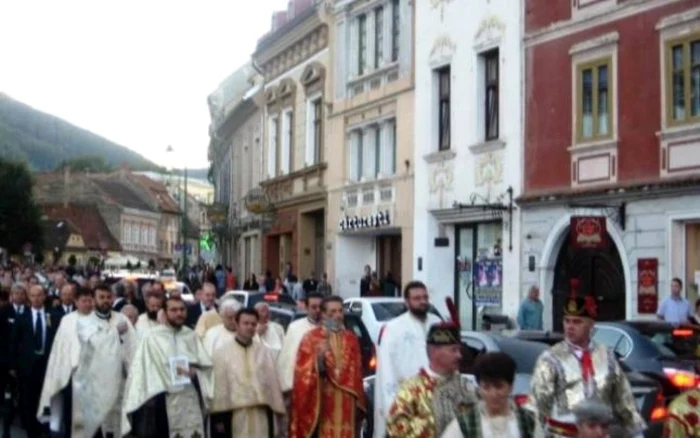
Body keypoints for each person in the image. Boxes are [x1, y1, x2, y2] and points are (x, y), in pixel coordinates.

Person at [530, 278, 645, 437]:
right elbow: (539, 406)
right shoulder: (550, 358)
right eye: (566, 321)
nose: (570, 326)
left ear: (591, 324)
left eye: (577, 322)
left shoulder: (606, 356)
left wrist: (636, 433)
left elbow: (623, 398)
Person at [121, 295, 213, 437]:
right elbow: (140, 371)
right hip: (162, 400)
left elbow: (206, 368)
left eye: (182, 309)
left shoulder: (191, 336)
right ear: (165, 312)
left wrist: (195, 372)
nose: (179, 313)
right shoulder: (152, 337)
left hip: (189, 399)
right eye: (174, 310)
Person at [385, 299, 476, 437]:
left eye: (459, 350)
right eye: (453, 350)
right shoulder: (411, 390)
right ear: (435, 352)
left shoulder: (466, 387)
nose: (459, 356)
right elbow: (396, 427)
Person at [289, 295, 366, 437]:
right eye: (332, 312)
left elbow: (357, 373)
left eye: (340, 311)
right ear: (323, 314)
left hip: (347, 400)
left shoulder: (351, 338)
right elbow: (302, 375)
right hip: (322, 397)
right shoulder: (311, 338)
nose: (337, 315)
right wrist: (319, 360)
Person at [374, 281, 442, 438]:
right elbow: (386, 370)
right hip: (407, 400)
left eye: (425, 297)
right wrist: (391, 406)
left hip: (436, 397)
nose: (423, 301)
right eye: (417, 298)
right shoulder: (393, 328)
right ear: (407, 301)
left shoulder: (437, 324)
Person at [208, 308, 286, 438]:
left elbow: (272, 387)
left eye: (253, 324)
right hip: (234, 414)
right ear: (236, 323)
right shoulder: (221, 353)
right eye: (246, 323)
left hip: (261, 414)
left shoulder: (264, 353)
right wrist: (218, 419)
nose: (250, 327)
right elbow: (218, 389)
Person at [36, 286, 94, 437]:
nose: (87, 304)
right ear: (76, 302)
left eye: (90, 301)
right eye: (84, 301)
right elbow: (59, 348)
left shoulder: (98, 319)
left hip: (91, 376)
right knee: (70, 412)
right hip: (70, 375)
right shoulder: (67, 320)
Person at [441, 352, 540, 438]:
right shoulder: (465, 424)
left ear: (510, 387)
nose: (493, 393)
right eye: (486, 387)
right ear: (479, 388)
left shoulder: (529, 421)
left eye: (499, 387)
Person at [10, 284, 57, 437]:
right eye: (33, 295)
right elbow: (14, 342)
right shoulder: (22, 317)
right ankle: (32, 430)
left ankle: (46, 427)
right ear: (28, 297)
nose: (36, 299)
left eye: (39, 295)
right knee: (29, 400)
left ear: (44, 296)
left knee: (47, 400)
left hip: (47, 366)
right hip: (27, 367)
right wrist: (13, 366)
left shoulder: (53, 315)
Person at [0, 282, 27, 438]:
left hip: (24, 361)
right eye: (16, 293)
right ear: (12, 295)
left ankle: (24, 420)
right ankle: (6, 424)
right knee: (6, 394)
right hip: (5, 361)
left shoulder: (29, 312)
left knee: (23, 393)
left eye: (21, 293)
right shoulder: (3, 312)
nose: (19, 296)